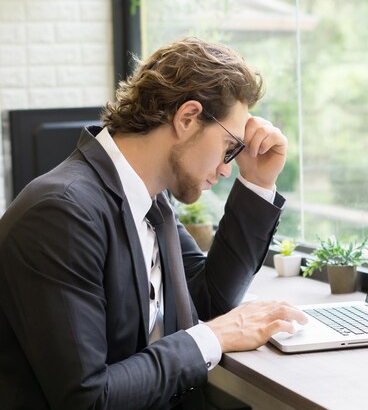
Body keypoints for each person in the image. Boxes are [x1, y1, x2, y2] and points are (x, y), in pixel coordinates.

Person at [0, 37, 307, 410]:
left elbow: (209, 299)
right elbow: (88, 399)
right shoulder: (62, 213)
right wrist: (212, 337)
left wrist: (257, 183)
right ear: (187, 118)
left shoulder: (149, 200)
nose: (228, 168)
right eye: (229, 148)